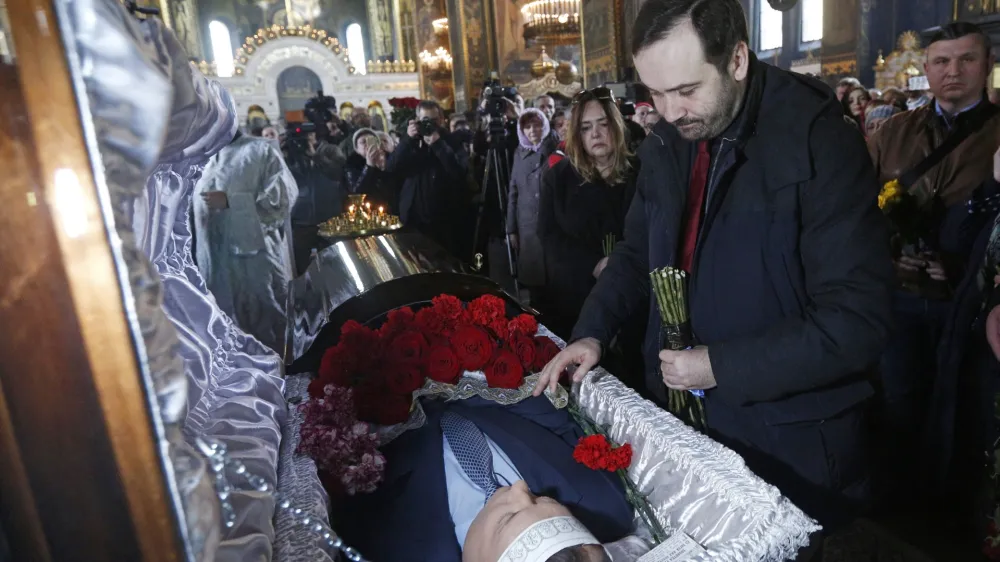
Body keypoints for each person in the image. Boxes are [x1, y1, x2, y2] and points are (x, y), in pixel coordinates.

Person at [536, 0, 893, 528]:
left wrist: (717, 366)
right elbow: (637, 254)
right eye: (654, 93)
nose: (671, 110)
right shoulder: (666, 138)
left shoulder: (819, 140)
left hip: (790, 444)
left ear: (738, 60)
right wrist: (592, 332)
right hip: (686, 427)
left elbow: (857, 321)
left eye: (686, 90)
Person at [869, 21, 1000, 507]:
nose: (954, 71)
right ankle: (905, 504)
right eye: (942, 61)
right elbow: (860, 211)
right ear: (925, 69)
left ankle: (954, 506)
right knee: (900, 400)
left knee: (964, 407)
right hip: (900, 298)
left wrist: (964, 264)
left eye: (967, 60)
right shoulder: (891, 133)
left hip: (970, 307)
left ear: (987, 65)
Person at [338, 396, 638, 562]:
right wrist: (464, 380)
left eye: (508, 518)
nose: (519, 487)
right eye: (545, 497)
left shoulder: (387, 548)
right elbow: (558, 420)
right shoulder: (605, 508)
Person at [536, 88, 638, 339]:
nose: (596, 133)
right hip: (574, 299)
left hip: (634, 295)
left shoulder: (641, 172)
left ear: (616, 126)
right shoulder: (557, 178)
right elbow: (548, 236)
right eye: (586, 127)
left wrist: (619, 264)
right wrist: (593, 264)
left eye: (603, 124)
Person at [194, 131, 299, 355]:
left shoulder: (260, 150)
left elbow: (281, 198)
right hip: (214, 265)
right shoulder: (201, 157)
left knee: (268, 326)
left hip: (254, 261)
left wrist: (233, 201)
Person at [386, 100, 469, 253]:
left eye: (434, 120)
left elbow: (459, 172)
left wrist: (438, 144)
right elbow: (391, 167)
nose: (430, 125)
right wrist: (407, 140)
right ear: (417, 120)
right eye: (425, 121)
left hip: (444, 219)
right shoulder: (411, 142)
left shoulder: (452, 141)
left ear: (442, 120)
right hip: (413, 219)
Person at [507, 109, 557, 300]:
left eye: (537, 125)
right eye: (527, 127)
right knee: (536, 290)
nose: (532, 130)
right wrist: (511, 229)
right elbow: (513, 192)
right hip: (528, 227)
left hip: (553, 224)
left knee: (557, 286)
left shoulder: (556, 148)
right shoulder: (519, 154)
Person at [342, 128, 399, 213]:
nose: (367, 144)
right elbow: (357, 193)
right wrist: (369, 166)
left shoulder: (389, 159)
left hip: (389, 210)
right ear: (357, 149)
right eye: (363, 142)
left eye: (371, 140)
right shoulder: (352, 165)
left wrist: (383, 168)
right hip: (366, 213)